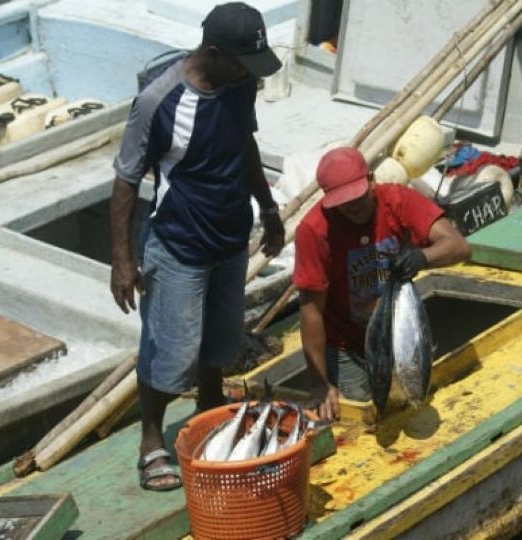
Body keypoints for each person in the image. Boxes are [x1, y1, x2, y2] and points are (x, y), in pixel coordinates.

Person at [109, 2, 285, 492]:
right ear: (212, 53)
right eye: (242, 62)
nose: (251, 74)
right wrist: (122, 262)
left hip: (231, 240)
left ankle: (212, 409)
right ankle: (150, 441)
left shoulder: (240, 82)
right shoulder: (158, 101)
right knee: (171, 353)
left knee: (222, 342)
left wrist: (269, 210)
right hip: (179, 243)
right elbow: (125, 182)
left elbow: (244, 143)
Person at [293, 147, 471, 421]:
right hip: (345, 343)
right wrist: (320, 382)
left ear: (372, 180)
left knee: (410, 400)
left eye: (358, 197)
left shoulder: (398, 200)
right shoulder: (313, 230)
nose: (353, 206)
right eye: (343, 202)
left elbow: (458, 246)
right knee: (370, 415)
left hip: (397, 331)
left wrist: (421, 258)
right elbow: (311, 310)